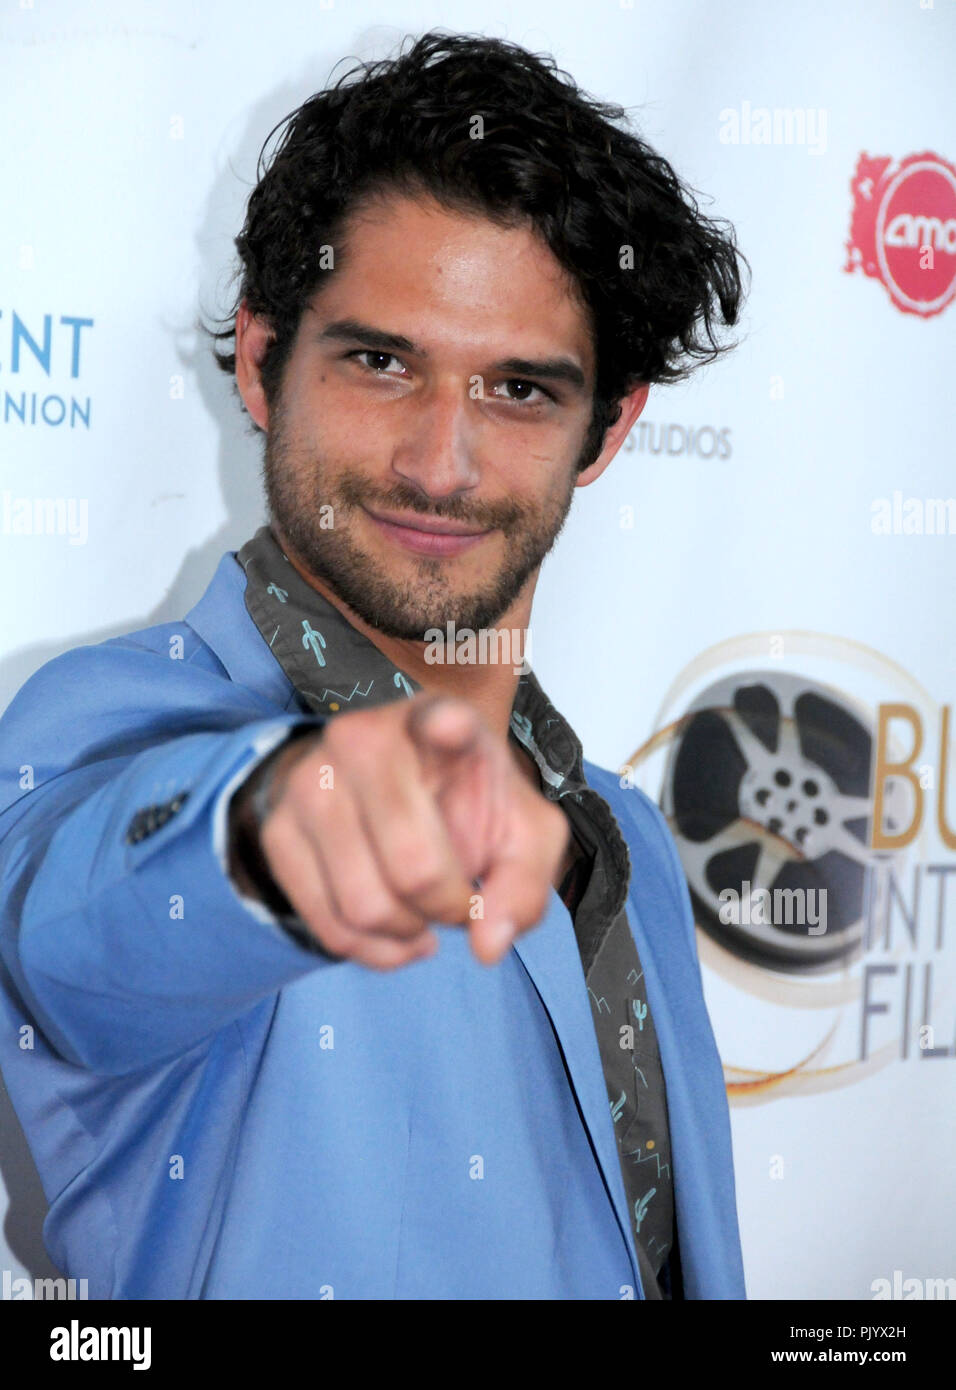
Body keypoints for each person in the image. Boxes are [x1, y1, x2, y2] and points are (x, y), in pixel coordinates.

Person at [0, 31, 749, 1300]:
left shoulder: (620, 833)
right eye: (380, 361)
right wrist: (289, 822)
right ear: (257, 360)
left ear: (605, 430)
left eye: (517, 389)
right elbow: (91, 922)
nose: (439, 462)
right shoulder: (105, 734)